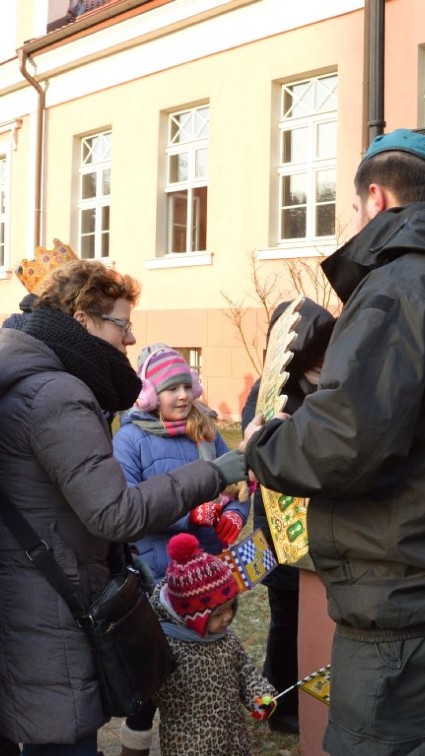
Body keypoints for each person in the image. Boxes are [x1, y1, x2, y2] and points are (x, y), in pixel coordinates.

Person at [241, 128, 425, 755]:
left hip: (409, 593)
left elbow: (342, 444)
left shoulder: (402, 286)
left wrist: (263, 443)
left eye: (355, 208)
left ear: (376, 198)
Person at [0, 257, 247, 755]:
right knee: (62, 742)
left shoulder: (21, 374)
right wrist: (217, 473)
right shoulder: (55, 393)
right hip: (50, 608)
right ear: (80, 318)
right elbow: (115, 513)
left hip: (23, 594)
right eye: (122, 324)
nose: (129, 339)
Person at [113, 344, 250, 756]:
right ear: (150, 395)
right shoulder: (131, 439)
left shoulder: (206, 430)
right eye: (171, 389)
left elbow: (238, 481)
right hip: (157, 582)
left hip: (209, 580)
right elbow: (127, 511)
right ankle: (134, 747)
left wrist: (237, 513)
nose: (183, 396)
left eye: (186, 386)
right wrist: (192, 513)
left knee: (209, 667)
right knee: (153, 679)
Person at [240, 297, 335, 735]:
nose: (321, 364)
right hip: (280, 528)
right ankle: (280, 705)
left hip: (321, 526)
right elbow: (255, 451)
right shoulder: (269, 393)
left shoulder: (333, 386)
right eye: (312, 357)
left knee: (315, 617)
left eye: (325, 354)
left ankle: (306, 696)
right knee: (284, 618)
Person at [149, 533, 277, 756]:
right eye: (218, 614)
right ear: (192, 616)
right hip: (190, 746)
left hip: (233, 739)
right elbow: (146, 696)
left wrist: (260, 696)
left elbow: (245, 672)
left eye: (231, 607)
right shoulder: (166, 647)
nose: (228, 618)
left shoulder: (226, 638)